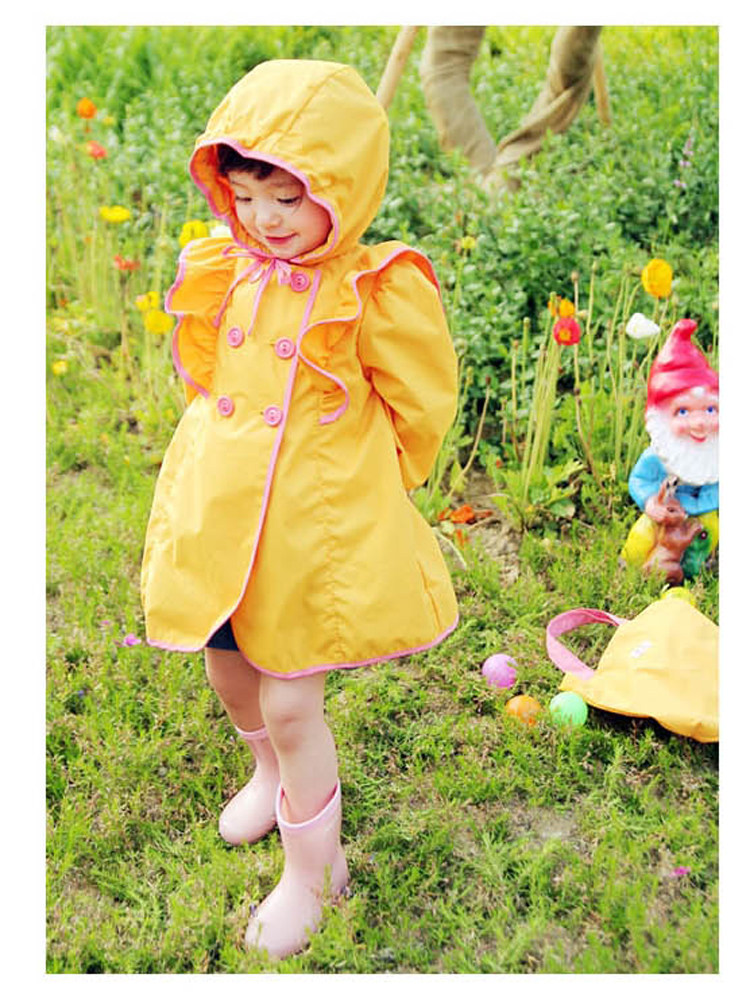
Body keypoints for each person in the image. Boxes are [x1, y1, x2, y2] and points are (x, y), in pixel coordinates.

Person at [140, 59, 459, 959]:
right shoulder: (231, 265)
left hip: (310, 529)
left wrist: (382, 478)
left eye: (288, 197)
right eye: (245, 197)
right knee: (227, 666)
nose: (264, 219)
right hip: (224, 508)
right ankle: (267, 772)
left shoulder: (373, 287)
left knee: (290, 698)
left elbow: (421, 397)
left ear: (341, 190)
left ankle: (316, 870)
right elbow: (211, 367)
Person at [621, 318, 719, 579]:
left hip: (700, 514)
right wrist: (651, 502)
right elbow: (640, 480)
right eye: (683, 411)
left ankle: (699, 568)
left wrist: (692, 507)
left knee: (709, 531)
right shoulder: (658, 456)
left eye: (710, 409)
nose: (699, 423)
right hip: (662, 514)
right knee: (643, 534)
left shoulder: (716, 456)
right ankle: (631, 567)